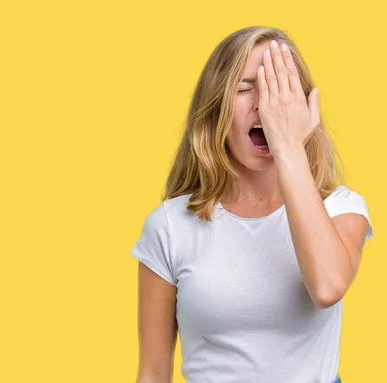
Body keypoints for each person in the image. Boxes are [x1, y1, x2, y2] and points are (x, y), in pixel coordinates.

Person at [129, 26, 374, 383]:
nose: (265, 104)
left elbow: (327, 287)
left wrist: (288, 146)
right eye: (245, 88)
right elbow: (153, 372)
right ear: (215, 107)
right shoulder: (169, 226)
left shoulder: (341, 209)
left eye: (280, 89)